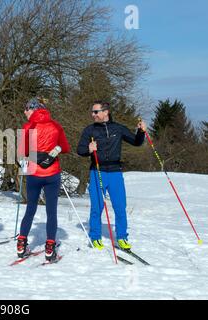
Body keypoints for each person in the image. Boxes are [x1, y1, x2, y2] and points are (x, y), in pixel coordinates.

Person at [77, 101, 146, 250]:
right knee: (97, 206)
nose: (93, 114)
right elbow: (80, 150)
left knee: (120, 207)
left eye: (96, 112)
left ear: (106, 112)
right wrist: (88, 149)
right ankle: (95, 237)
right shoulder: (90, 130)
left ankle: (122, 237)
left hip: (115, 172)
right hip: (97, 171)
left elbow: (136, 142)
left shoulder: (118, 128)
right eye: (92, 112)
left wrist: (141, 132)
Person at [17, 98, 70, 262]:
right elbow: (65, 147)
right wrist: (52, 152)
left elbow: (21, 152)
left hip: (33, 173)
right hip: (52, 173)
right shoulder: (56, 126)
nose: (25, 112)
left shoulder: (27, 127)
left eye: (27, 109)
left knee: (30, 209)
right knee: (51, 210)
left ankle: (21, 243)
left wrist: (26, 165)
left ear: (34, 109)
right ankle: (50, 246)